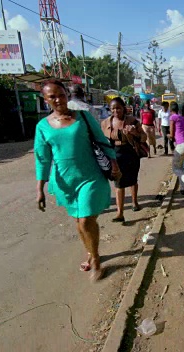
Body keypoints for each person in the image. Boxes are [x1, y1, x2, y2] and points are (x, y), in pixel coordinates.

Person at [34, 79, 121, 282]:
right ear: (45, 100)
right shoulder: (42, 127)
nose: (58, 99)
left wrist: (114, 163)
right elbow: (42, 159)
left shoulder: (82, 117)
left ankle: (97, 261)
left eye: (61, 94)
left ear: (67, 95)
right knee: (78, 220)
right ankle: (90, 252)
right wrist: (40, 188)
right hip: (65, 181)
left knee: (85, 219)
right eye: (52, 97)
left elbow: (101, 140)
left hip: (89, 177)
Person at [102, 97, 146, 223]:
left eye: (118, 108)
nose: (116, 111)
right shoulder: (105, 123)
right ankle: (119, 213)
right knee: (118, 183)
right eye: (113, 108)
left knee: (132, 179)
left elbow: (144, 137)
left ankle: (134, 202)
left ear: (124, 108)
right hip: (114, 154)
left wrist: (135, 133)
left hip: (131, 153)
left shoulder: (132, 121)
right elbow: (102, 141)